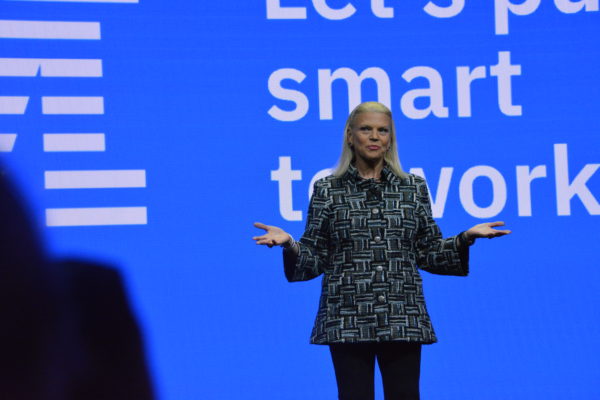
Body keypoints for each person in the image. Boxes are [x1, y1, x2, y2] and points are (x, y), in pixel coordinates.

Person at [253, 101, 511, 400]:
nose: (375, 136)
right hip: (347, 316)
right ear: (350, 136)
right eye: (366, 129)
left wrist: (464, 238)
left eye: (382, 130)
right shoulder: (327, 189)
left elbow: (427, 251)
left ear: (390, 138)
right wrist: (290, 244)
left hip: (402, 314)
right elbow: (316, 256)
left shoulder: (413, 187)